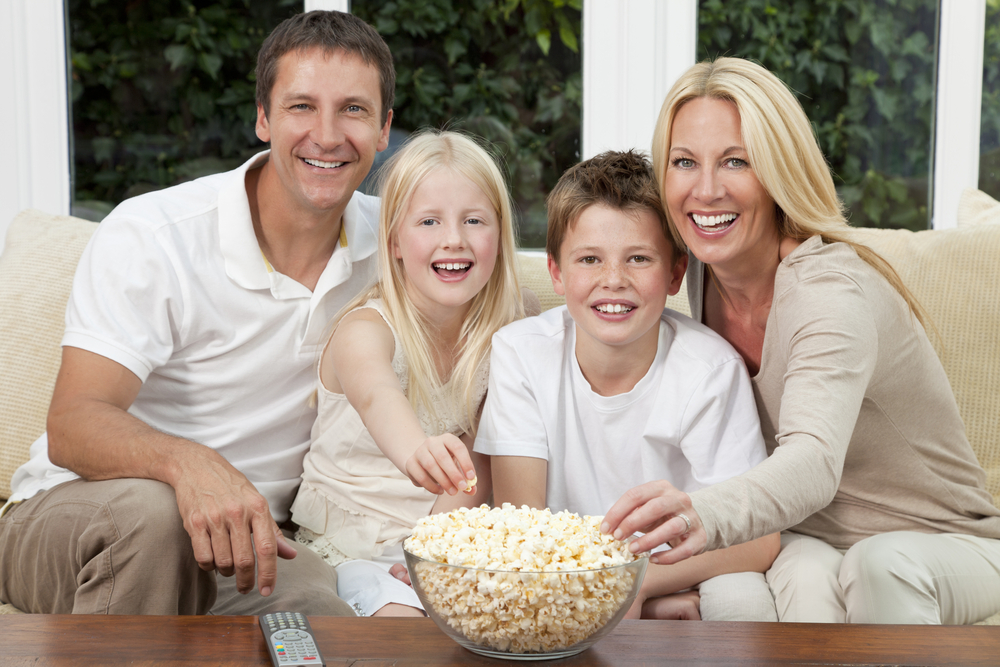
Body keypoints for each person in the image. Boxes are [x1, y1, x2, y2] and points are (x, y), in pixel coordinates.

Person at [0, 10, 394, 616]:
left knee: (324, 623)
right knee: (155, 519)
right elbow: (73, 424)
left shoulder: (396, 246)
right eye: (300, 107)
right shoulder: (155, 235)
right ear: (262, 118)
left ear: (385, 128)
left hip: (248, 546)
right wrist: (189, 465)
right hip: (77, 518)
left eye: (354, 110)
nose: (328, 134)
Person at [603, 57, 1000, 624]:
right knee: (803, 569)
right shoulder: (699, 271)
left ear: (777, 172)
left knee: (880, 563)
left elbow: (812, 462)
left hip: (947, 542)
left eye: (735, 161)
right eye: (685, 162)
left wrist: (698, 515)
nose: (706, 190)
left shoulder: (831, 291)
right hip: (812, 536)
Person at [475, 150, 779, 621]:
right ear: (556, 271)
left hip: (677, 567)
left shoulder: (709, 369)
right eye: (589, 259)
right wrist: (616, 591)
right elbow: (524, 529)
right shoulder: (520, 353)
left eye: (638, 258)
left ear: (676, 272)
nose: (613, 281)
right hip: (557, 574)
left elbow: (758, 540)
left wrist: (637, 585)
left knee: (742, 599)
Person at [289, 130, 536, 618]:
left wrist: (429, 549)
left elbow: (481, 460)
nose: (454, 239)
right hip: (350, 548)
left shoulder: (511, 324)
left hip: (444, 537)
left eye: (474, 220)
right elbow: (377, 395)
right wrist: (416, 451)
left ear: (500, 234)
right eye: (429, 221)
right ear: (395, 241)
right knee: (404, 626)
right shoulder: (366, 328)